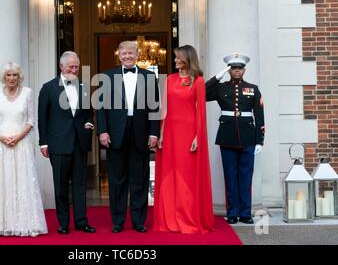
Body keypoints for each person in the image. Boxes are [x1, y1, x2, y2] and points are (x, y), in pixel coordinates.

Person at [0, 61, 48, 236]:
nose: (11, 78)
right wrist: (1, 137)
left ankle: (23, 223)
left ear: (19, 76)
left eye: (15, 75)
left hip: (21, 144)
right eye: (8, 75)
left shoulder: (27, 93)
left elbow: (31, 120)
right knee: (1, 182)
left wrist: (18, 137)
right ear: (3, 77)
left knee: (21, 182)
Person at [96, 41, 160, 233]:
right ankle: (117, 221)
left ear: (138, 54)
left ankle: (138, 221)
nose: (127, 56)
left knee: (139, 179)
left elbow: (155, 108)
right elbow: (100, 107)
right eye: (123, 53)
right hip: (115, 133)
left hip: (141, 133)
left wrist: (154, 132)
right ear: (118, 54)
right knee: (116, 180)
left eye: (130, 53)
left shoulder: (149, 77)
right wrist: (103, 131)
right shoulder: (107, 76)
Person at [153, 45, 214, 234]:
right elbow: (164, 109)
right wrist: (161, 134)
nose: (175, 60)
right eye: (175, 57)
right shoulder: (170, 79)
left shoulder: (198, 81)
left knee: (186, 175)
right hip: (170, 132)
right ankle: (169, 217)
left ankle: (187, 217)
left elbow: (200, 111)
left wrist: (198, 135)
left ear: (188, 59)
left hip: (188, 133)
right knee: (169, 175)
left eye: (178, 57)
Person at [38, 51, 96, 235]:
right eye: (71, 66)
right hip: (58, 143)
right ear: (61, 66)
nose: (74, 69)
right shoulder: (48, 88)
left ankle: (81, 221)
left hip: (79, 142)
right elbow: (42, 118)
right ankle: (63, 223)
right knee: (61, 185)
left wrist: (89, 123)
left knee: (80, 184)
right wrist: (43, 143)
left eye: (77, 66)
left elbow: (88, 113)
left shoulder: (84, 87)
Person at [206, 53, 265, 225]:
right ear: (229, 70)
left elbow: (259, 115)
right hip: (227, 136)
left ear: (244, 70)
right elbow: (201, 92)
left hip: (248, 137)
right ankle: (232, 212)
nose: (236, 71)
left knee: (246, 176)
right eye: (233, 68)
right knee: (230, 176)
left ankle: (245, 213)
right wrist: (217, 77)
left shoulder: (253, 88)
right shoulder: (221, 88)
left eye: (239, 68)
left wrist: (260, 140)